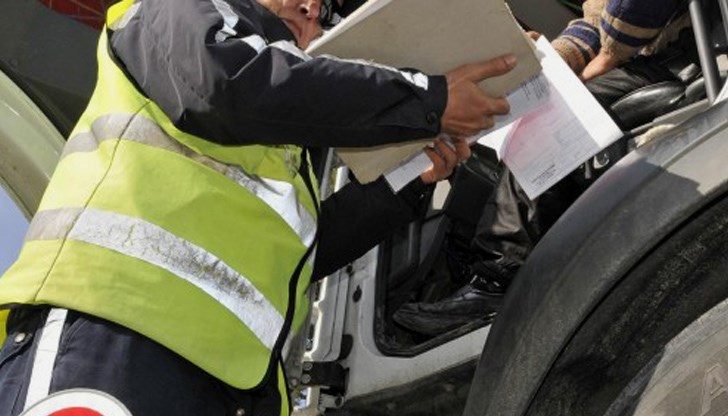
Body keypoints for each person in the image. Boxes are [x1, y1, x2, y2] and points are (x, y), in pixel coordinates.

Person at [0, 0, 518, 414]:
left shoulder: (289, 147)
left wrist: (411, 176)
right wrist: (427, 97)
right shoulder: (177, 10)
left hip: (236, 382)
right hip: (114, 338)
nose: (314, 7)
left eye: (328, 5)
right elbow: (226, 85)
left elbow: (304, 256)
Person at [394, 0, 700, 336]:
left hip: (693, 48)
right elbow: (598, 16)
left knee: (545, 117)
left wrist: (602, 62)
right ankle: (479, 261)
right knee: (528, 99)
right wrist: (548, 61)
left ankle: (497, 279)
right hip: (661, 47)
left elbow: (631, 14)